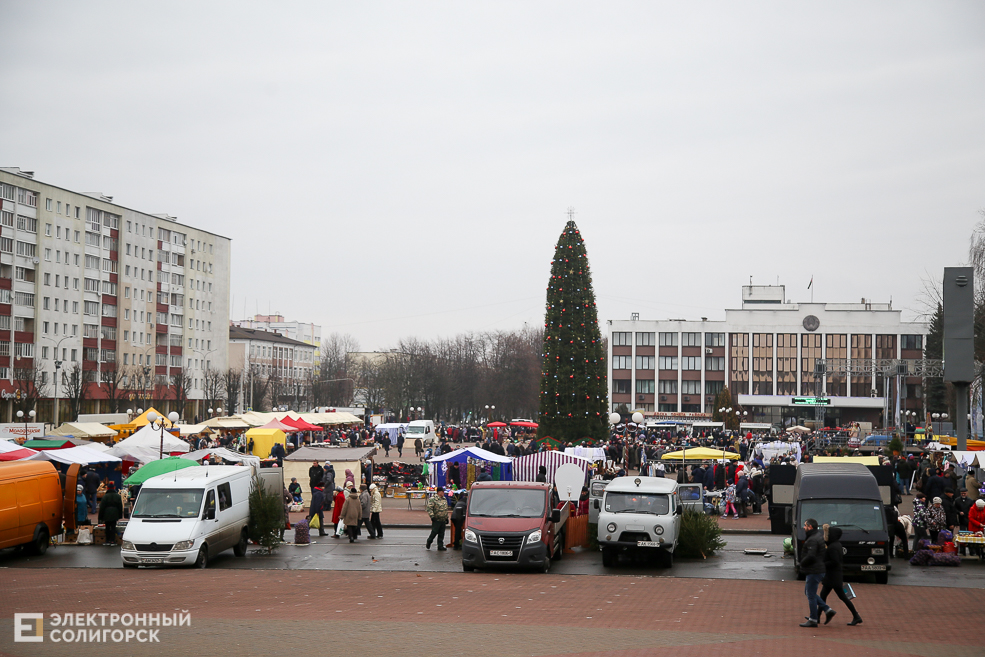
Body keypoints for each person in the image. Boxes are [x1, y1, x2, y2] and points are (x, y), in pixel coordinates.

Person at [818, 525, 863, 625]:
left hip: (833, 577)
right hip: (833, 576)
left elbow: (835, 561)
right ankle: (816, 617)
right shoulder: (836, 544)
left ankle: (856, 616)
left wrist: (822, 564)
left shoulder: (833, 547)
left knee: (841, 597)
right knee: (824, 596)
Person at [798, 518, 832, 628]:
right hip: (817, 569)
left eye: (805, 525)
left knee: (811, 595)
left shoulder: (812, 539)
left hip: (814, 570)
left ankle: (813, 619)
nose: (804, 527)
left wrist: (802, 563)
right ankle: (827, 610)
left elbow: (811, 555)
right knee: (808, 592)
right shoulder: (818, 535)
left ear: (810, 527)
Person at [98, 482, 124, 547]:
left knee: (107, 527)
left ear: (108, 488)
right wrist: (120, 515)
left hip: (106, 513)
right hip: (115, 513)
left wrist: (100, 517)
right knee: (113, 527)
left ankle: (107, 540)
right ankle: (113, 540)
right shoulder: (117, 496)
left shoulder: (105, 496)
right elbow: (120, 506)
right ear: (114, 488)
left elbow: (102, 507)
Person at [425, 485, 449, 551]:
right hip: (436, 518)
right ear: (439, 492)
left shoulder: (444, 499)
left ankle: (440, 546)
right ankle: (429, 541)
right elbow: (429, 508)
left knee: (442, 533)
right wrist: (432, 516)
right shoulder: (433, 499)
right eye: (442, 492)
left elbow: (445, 509)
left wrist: (446, 518)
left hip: (443, 519)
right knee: (434, 532)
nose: (443, 493)